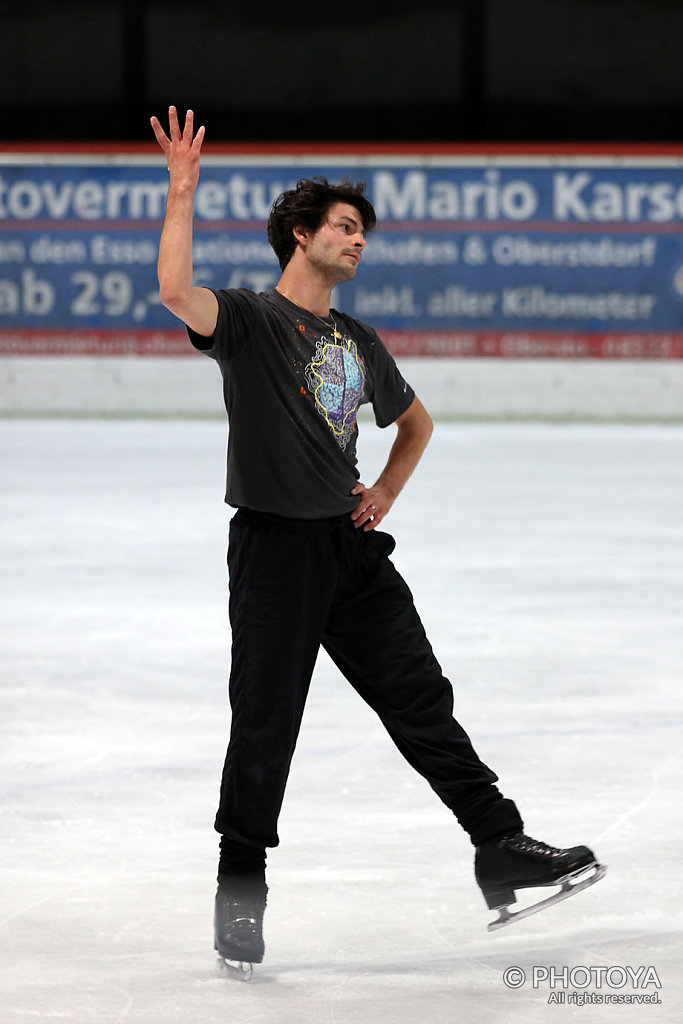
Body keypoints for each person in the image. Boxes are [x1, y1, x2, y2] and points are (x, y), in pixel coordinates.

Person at [150, 107, 604, 968]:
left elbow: (416, 423)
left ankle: (498, 844)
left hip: (349, 555)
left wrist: (385, 491)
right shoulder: (246, 321)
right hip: (275, 554)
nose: (359, 243)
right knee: (265, 726)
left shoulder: (357, 339)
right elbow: (176, 292)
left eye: (363, 233)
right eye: (346, 228)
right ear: (300, 234)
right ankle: (238, 898)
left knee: (420, 699)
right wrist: (182, 191)